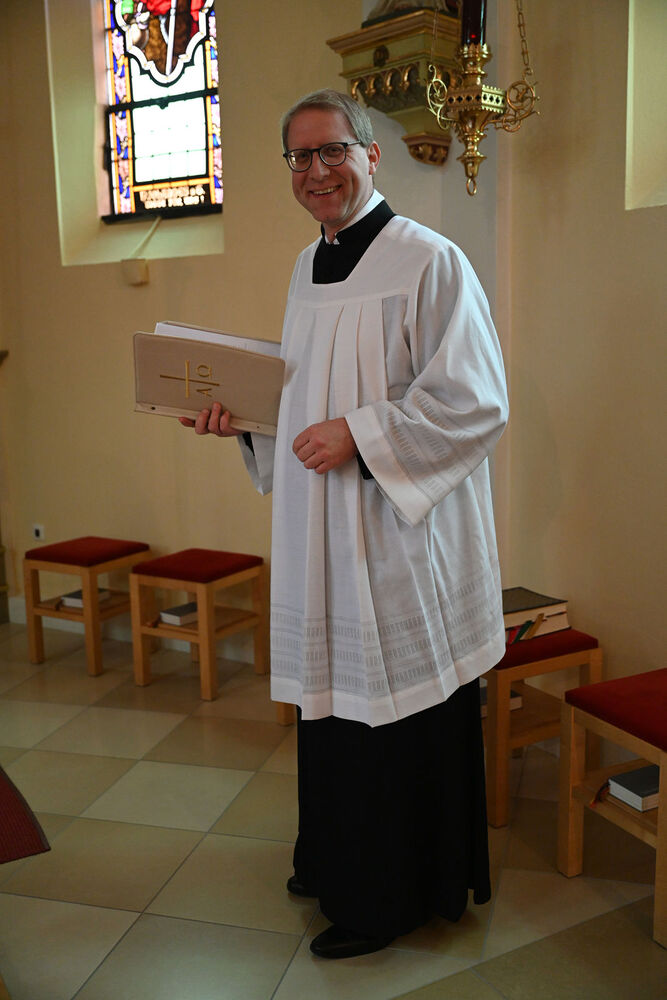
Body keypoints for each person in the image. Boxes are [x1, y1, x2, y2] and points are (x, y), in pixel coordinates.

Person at [180, 89, 508, 960]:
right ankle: (333, 858)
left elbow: (474, 402)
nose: (316, 171)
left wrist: (361, 437)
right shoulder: (307, 266)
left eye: (332, 151)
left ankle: (388, 897)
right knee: (334, 709)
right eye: (300, 157)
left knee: (393, 717)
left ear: (371, 154)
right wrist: (244, 418)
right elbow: (304, 392)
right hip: (321, 530)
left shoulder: (428, 260)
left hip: (397, 538)